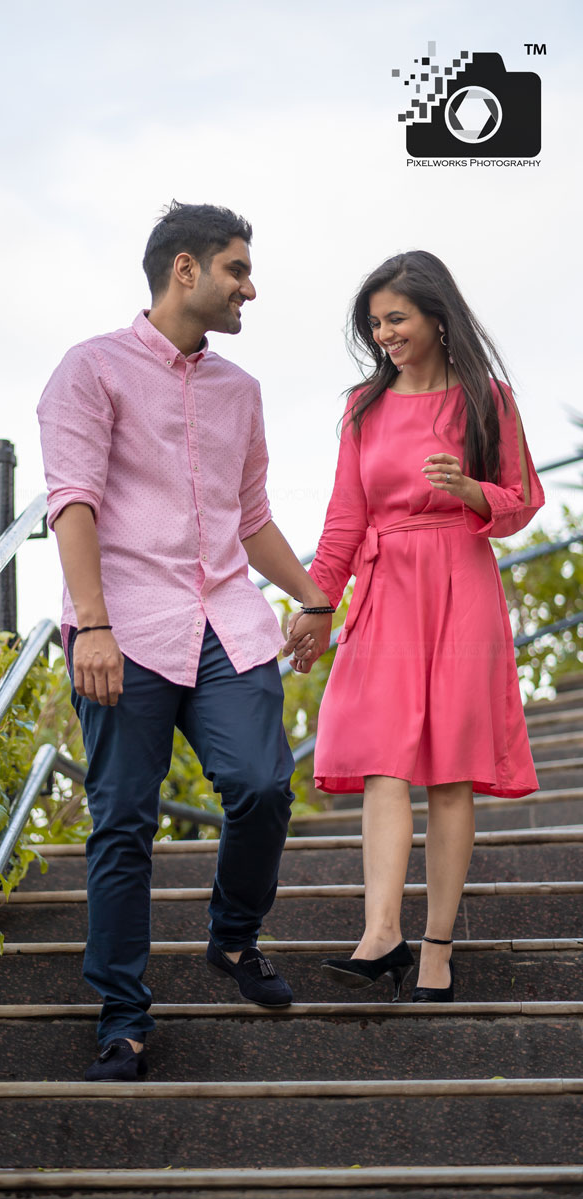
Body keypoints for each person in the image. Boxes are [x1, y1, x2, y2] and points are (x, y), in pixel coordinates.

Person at [37, 201, 331, 1080]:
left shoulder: (242, 391)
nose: (251, 287)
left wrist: (313, 595)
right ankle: (123, 1015)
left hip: (226, 620)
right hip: (123, 625)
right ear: (186, 271)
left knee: (263, 782)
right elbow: (73, 500)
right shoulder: (89, 369)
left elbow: (253, 520)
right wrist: (92, 622)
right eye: (238, 268)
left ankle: (233, 937)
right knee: (123, 821)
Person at [286, 250, 544, 1003]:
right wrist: (316, 603)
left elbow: (524, 501)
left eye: (395, 317)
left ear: (436, 315)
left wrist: (472, 490)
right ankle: (380, 932)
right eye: (374, 323)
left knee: (452, 771)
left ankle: (435, 948)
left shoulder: (486, 398)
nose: (385, 333)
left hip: (462, 581)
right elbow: (343, 521)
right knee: (382, 760)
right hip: (387, 585)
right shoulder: (362, 407)